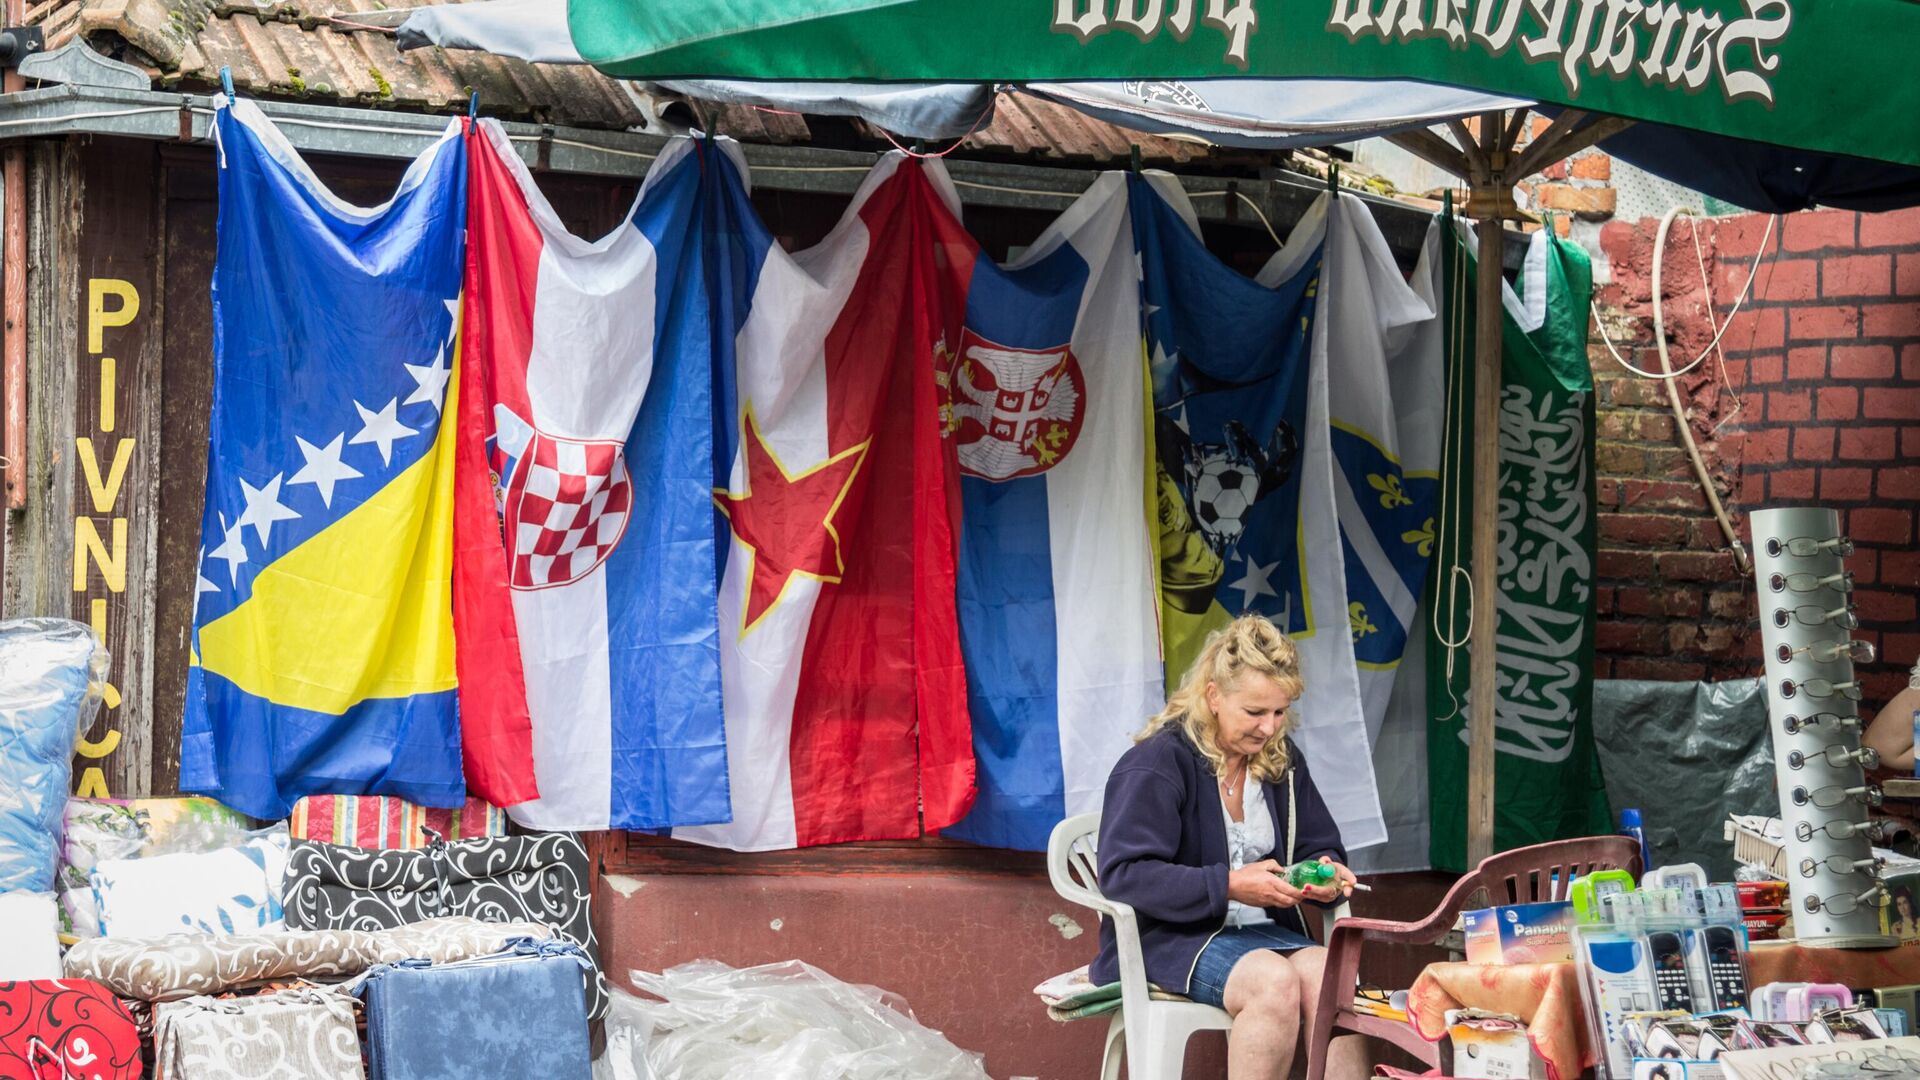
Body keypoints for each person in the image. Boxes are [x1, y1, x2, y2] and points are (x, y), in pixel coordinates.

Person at [1091, 613, 1368, 1080]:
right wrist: (1229, 886)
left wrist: (1325, 873)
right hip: (1169, 938)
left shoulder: (1281, 762)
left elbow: (1321, 844)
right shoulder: (1159, 762)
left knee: (1334, 977)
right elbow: (1124, 874)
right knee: (1272, 983)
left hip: (1261, 933)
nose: (1269, 728)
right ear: (1214, 696)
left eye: (1279, 712)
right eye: (1255, 712)